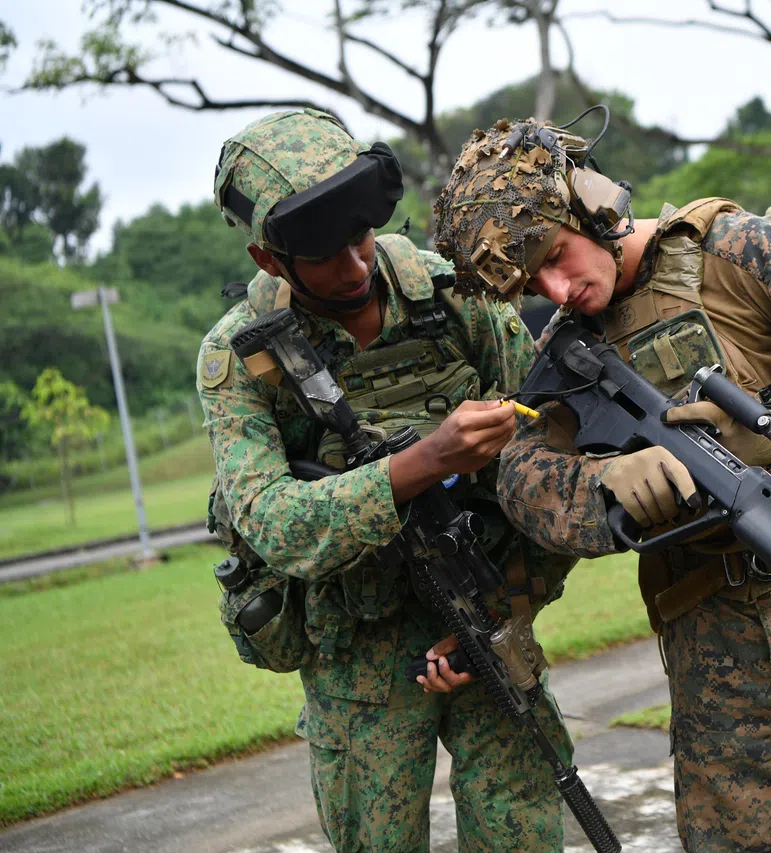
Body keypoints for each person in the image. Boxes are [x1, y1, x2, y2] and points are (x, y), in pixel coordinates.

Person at [432, 115, 771, 853]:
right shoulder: (567, 355)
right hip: (709, 646)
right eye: (534, 281)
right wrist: (606, 484)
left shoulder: (745, 250)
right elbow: (524, 479)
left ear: (589, 202)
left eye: (558, 255)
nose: (560, 288)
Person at [198, 108, 575, 853]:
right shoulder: (244, 358)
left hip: (481, 609)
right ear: (270, 260)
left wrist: (508, 610)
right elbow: (270, 518)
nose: (355, 264)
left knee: (523, 826)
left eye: (360, 234)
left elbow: (554, 470)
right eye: (323, 252)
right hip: (358, 657)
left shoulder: (452, 296)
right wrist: (421, 463)